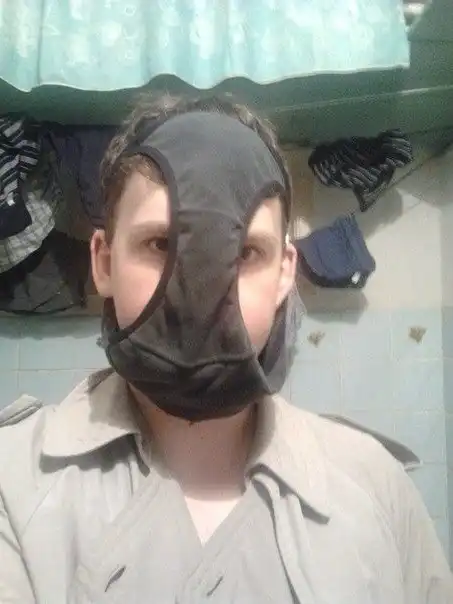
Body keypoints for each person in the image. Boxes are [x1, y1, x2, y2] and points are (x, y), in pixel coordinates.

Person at [0, 94, 451, 604]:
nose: (202, 294)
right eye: (160, 244)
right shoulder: (11, 484)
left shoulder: (377, 487)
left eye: (246, 252)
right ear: (103, 263)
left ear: (284, 273)